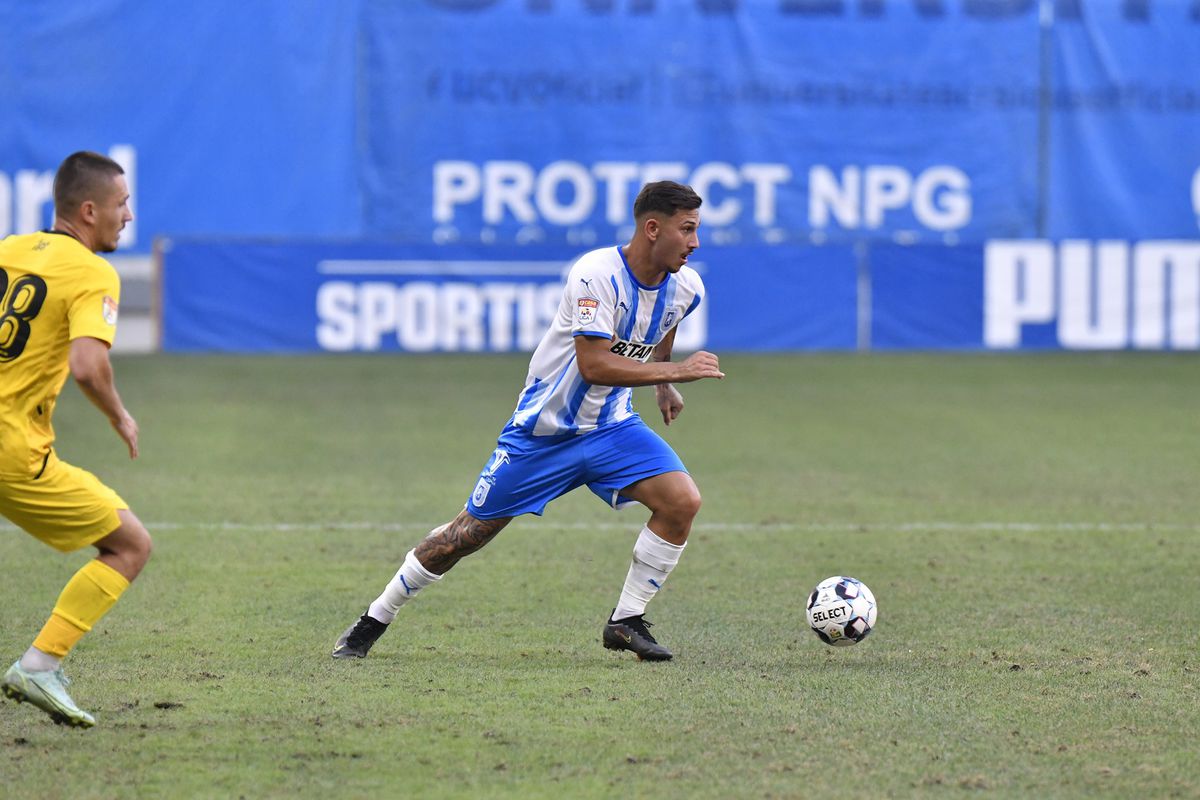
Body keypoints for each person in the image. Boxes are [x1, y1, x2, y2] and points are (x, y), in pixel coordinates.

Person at [333, 180, 723, 662]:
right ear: (651, 228)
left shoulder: (688, 287)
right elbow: (594, 365)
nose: (695, 242)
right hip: (543, 434)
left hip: (612, 427)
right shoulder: (595, 275)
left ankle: (625, 621)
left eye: (697, 230)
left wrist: (663, 382)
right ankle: (374, 619)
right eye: (686, 230)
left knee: (682, 501)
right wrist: (676, 369)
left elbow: (664, 324)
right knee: (463, 537)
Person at [0, 151, 152, 728]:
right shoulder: (92, 273)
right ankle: (39, 664)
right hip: (13, 451)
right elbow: (88, 366)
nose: (129, 216)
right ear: (89, 211)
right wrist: (118, 415)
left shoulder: (10, 249)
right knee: (129, 545)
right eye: (121, 205)